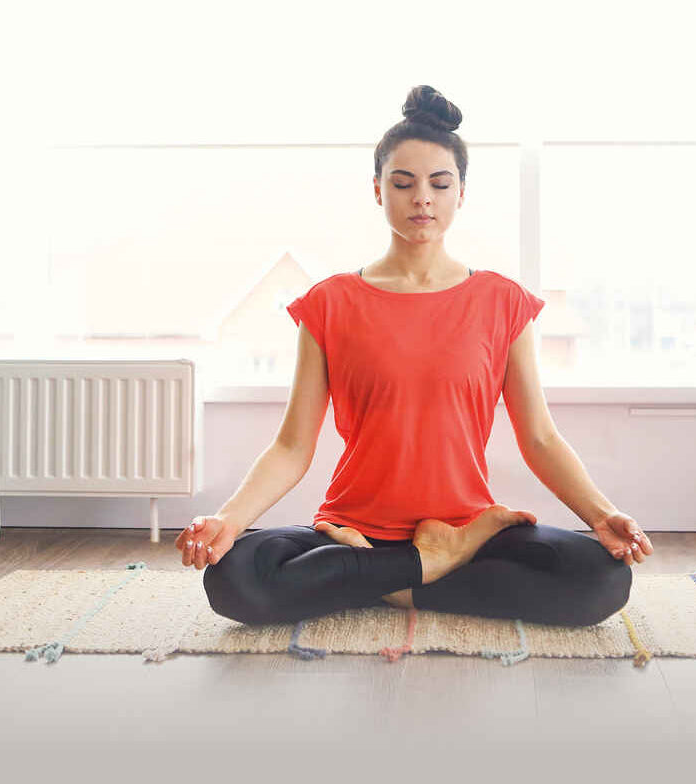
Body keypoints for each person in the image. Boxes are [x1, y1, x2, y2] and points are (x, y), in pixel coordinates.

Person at [176, 85, 654, 627]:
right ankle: (427, 566)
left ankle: (384, 579)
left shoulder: (502, 302)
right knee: (233, 577)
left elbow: (539, 437)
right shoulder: (330, 303)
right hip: (352, 530)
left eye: (439, 183)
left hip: (469, 528)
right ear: (378, 191)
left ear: (461, 194)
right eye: (403, 183)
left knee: (602, 579)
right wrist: (228, 520)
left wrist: (602, 514)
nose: (421, 198)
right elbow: (291, 446)